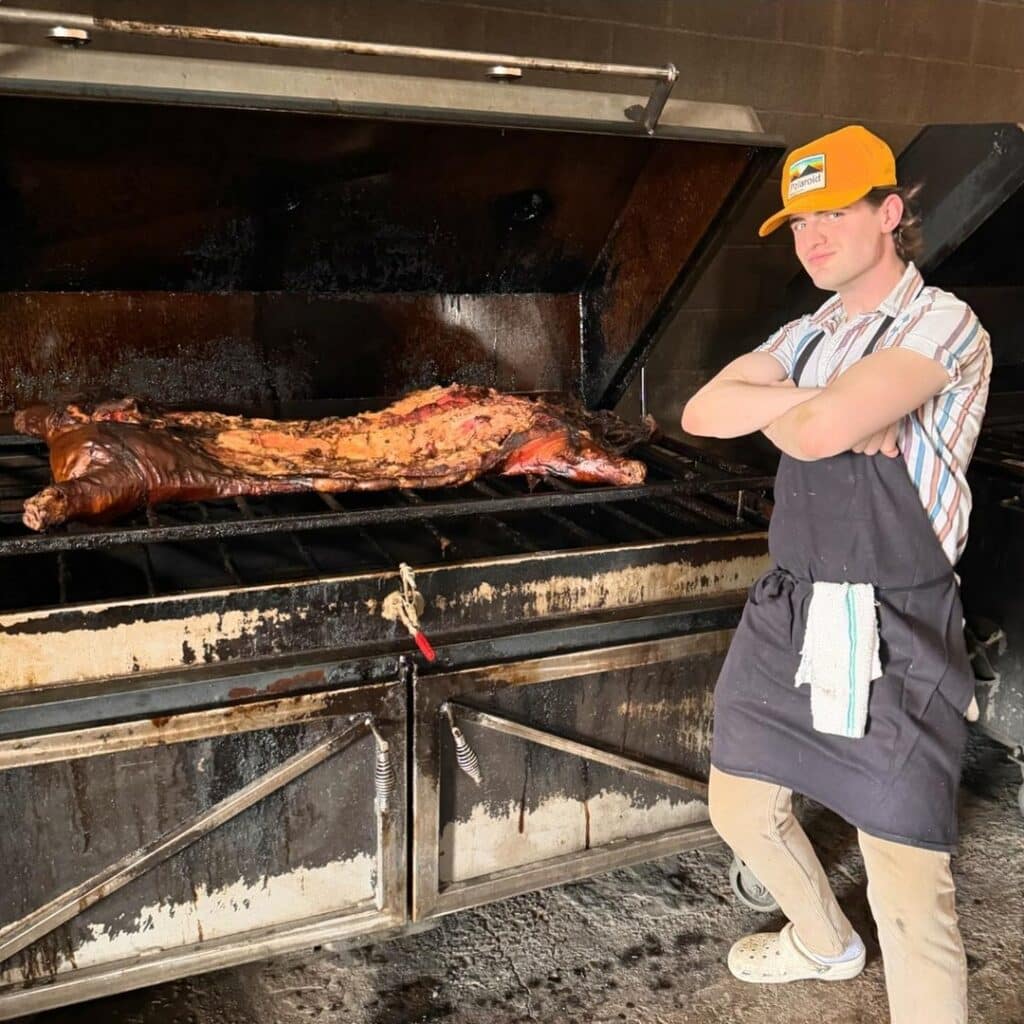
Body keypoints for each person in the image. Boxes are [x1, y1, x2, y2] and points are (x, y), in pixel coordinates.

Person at [681, 125, 991, 1024]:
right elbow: (704, 410)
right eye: (799, 222)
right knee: (739, 800)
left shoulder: (943, 323)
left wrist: (796, 412)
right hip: (794, 603)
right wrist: (828, 407)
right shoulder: (809, 331)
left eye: (833, 215)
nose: (811, 237)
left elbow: (807, 434)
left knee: (905, 866)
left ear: (891, 214)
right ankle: (823, 940)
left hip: (899, 617)